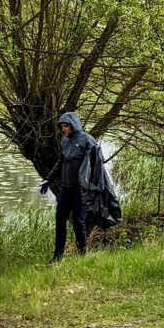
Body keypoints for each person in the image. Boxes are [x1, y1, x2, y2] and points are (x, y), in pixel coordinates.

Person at [40, 112, 118, 263]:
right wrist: (48, 179)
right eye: (62, 127)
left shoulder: (87, 140)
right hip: (66, 188)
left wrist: (94, 187)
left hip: (81, 189)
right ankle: (57, 256)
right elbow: (60, 163)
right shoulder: (64, 141)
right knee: (60, 219)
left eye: (66, 126)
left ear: (73, 124)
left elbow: (97, 167)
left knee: (78, 220)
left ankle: (82, 253)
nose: (64, 129)